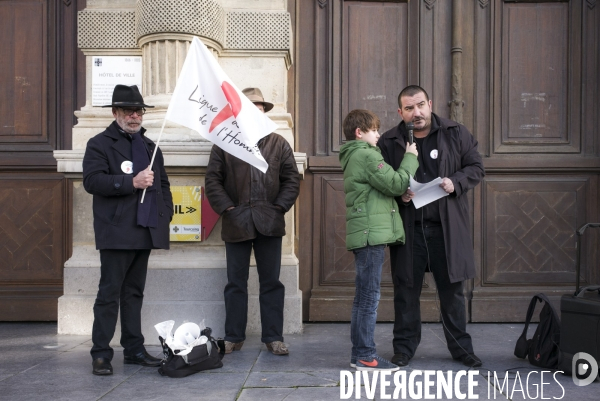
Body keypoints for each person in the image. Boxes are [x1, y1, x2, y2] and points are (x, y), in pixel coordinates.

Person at [377, 85, 485, 368]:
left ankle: (462, 349)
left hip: (446, 228)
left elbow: (475, 167)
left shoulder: (455, 132)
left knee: (452, 292)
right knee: (406, 290)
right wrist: (398, 192)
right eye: (409, 108)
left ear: (430, 103)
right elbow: (380, 181)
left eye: (421, 105)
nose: (417, 113)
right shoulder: (389, 141)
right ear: (400, 112)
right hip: (408, 228)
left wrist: (456, 182)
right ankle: (403, 348)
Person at [83, 84, 173, 375]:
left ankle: (134, 349)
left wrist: (165, 215)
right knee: (109, 293)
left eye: (139, 111)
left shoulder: (150, 146)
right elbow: (92, 182)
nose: (134, 116)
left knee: (134, 293)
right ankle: (101, 354)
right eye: (128, 111)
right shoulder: (99, 143)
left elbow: (163, 185)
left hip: (144, 228)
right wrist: (130, 182)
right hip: (116, 230)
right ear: (115, 112)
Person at [205, 87, 300, 356]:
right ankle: (234, 337)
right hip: (237, 222)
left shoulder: (279, 143)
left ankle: (273, 337)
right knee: (235, 283)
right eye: (250, 107)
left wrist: (278, 208)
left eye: (259, 108)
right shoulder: (224, 142)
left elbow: (292, 179)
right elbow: (213, 180)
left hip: (269, 223)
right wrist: (228, 208)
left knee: (271, 282)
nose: (256, 111)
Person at [340, 109, 419, 371]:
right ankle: (364, 355)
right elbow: (396, 183)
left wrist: (399, 196)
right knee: (369, 298)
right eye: (374, 130)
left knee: (363, 297)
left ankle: (359, 353)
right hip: (370, 235)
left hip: (367, 233)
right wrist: (410, 158)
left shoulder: (356, 156)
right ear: (359, 133)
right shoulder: (365, 154)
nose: (378, 134)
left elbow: (379, 191)